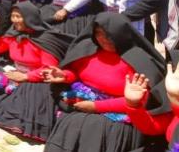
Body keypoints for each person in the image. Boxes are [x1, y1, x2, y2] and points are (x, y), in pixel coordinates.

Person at [43, 13, 172, 152]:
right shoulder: (88, 49)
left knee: (90, 125)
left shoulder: (139, 60)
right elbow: (77, 73)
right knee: (69, 120)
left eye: (109, 34)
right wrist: (64, 76)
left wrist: (96, 106)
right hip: (85, 103)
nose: (104, 39)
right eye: (99, 33)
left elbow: (142, 100)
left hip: (121, 116)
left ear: (120, 33)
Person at [0, 2, 73, 142]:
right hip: (17, 73)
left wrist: (25, 76)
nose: (14, 20)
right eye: (13, 16)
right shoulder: (14, 35)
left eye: (18, 16)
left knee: (24, 103)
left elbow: (49, 69)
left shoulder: (45, 39)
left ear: (29, 18)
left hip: (38, 79)